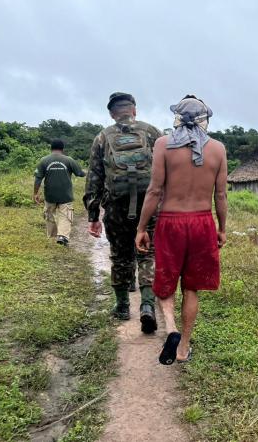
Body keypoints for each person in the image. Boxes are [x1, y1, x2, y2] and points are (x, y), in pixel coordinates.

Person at [135, 95, 227, 365]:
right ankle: (183, 348)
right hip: (202, 223)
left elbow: (154, 190)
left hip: (171, 222)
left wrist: (142, 227)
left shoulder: (163, 145)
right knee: (191, 288)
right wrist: (222, 229)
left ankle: (172, 328)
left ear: (177, 118)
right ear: (205, 120)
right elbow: (220, 196)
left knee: (165, 283)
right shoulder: (218, 149)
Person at [83, 92, 162, 333]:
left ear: (111, 113)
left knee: (119, 256)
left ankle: (122, 306)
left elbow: (94, 179)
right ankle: (147, 306)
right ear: (134, 110)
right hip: (148, 206)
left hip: (116, 206)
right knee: (147, 254)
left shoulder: (102, 137)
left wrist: (93, 216)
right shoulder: (152, 133)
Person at [34, 139, 85, 246]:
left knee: (49, 214)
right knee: (65, 215)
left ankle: (52, 236)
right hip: (65, 195)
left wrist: (35, 193)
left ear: (51, 148)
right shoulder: (69, 160)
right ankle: (62, 236)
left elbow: (38, 179)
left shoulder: (44, 160)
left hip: (50, 195)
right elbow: (80, 173)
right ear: (63, 149)